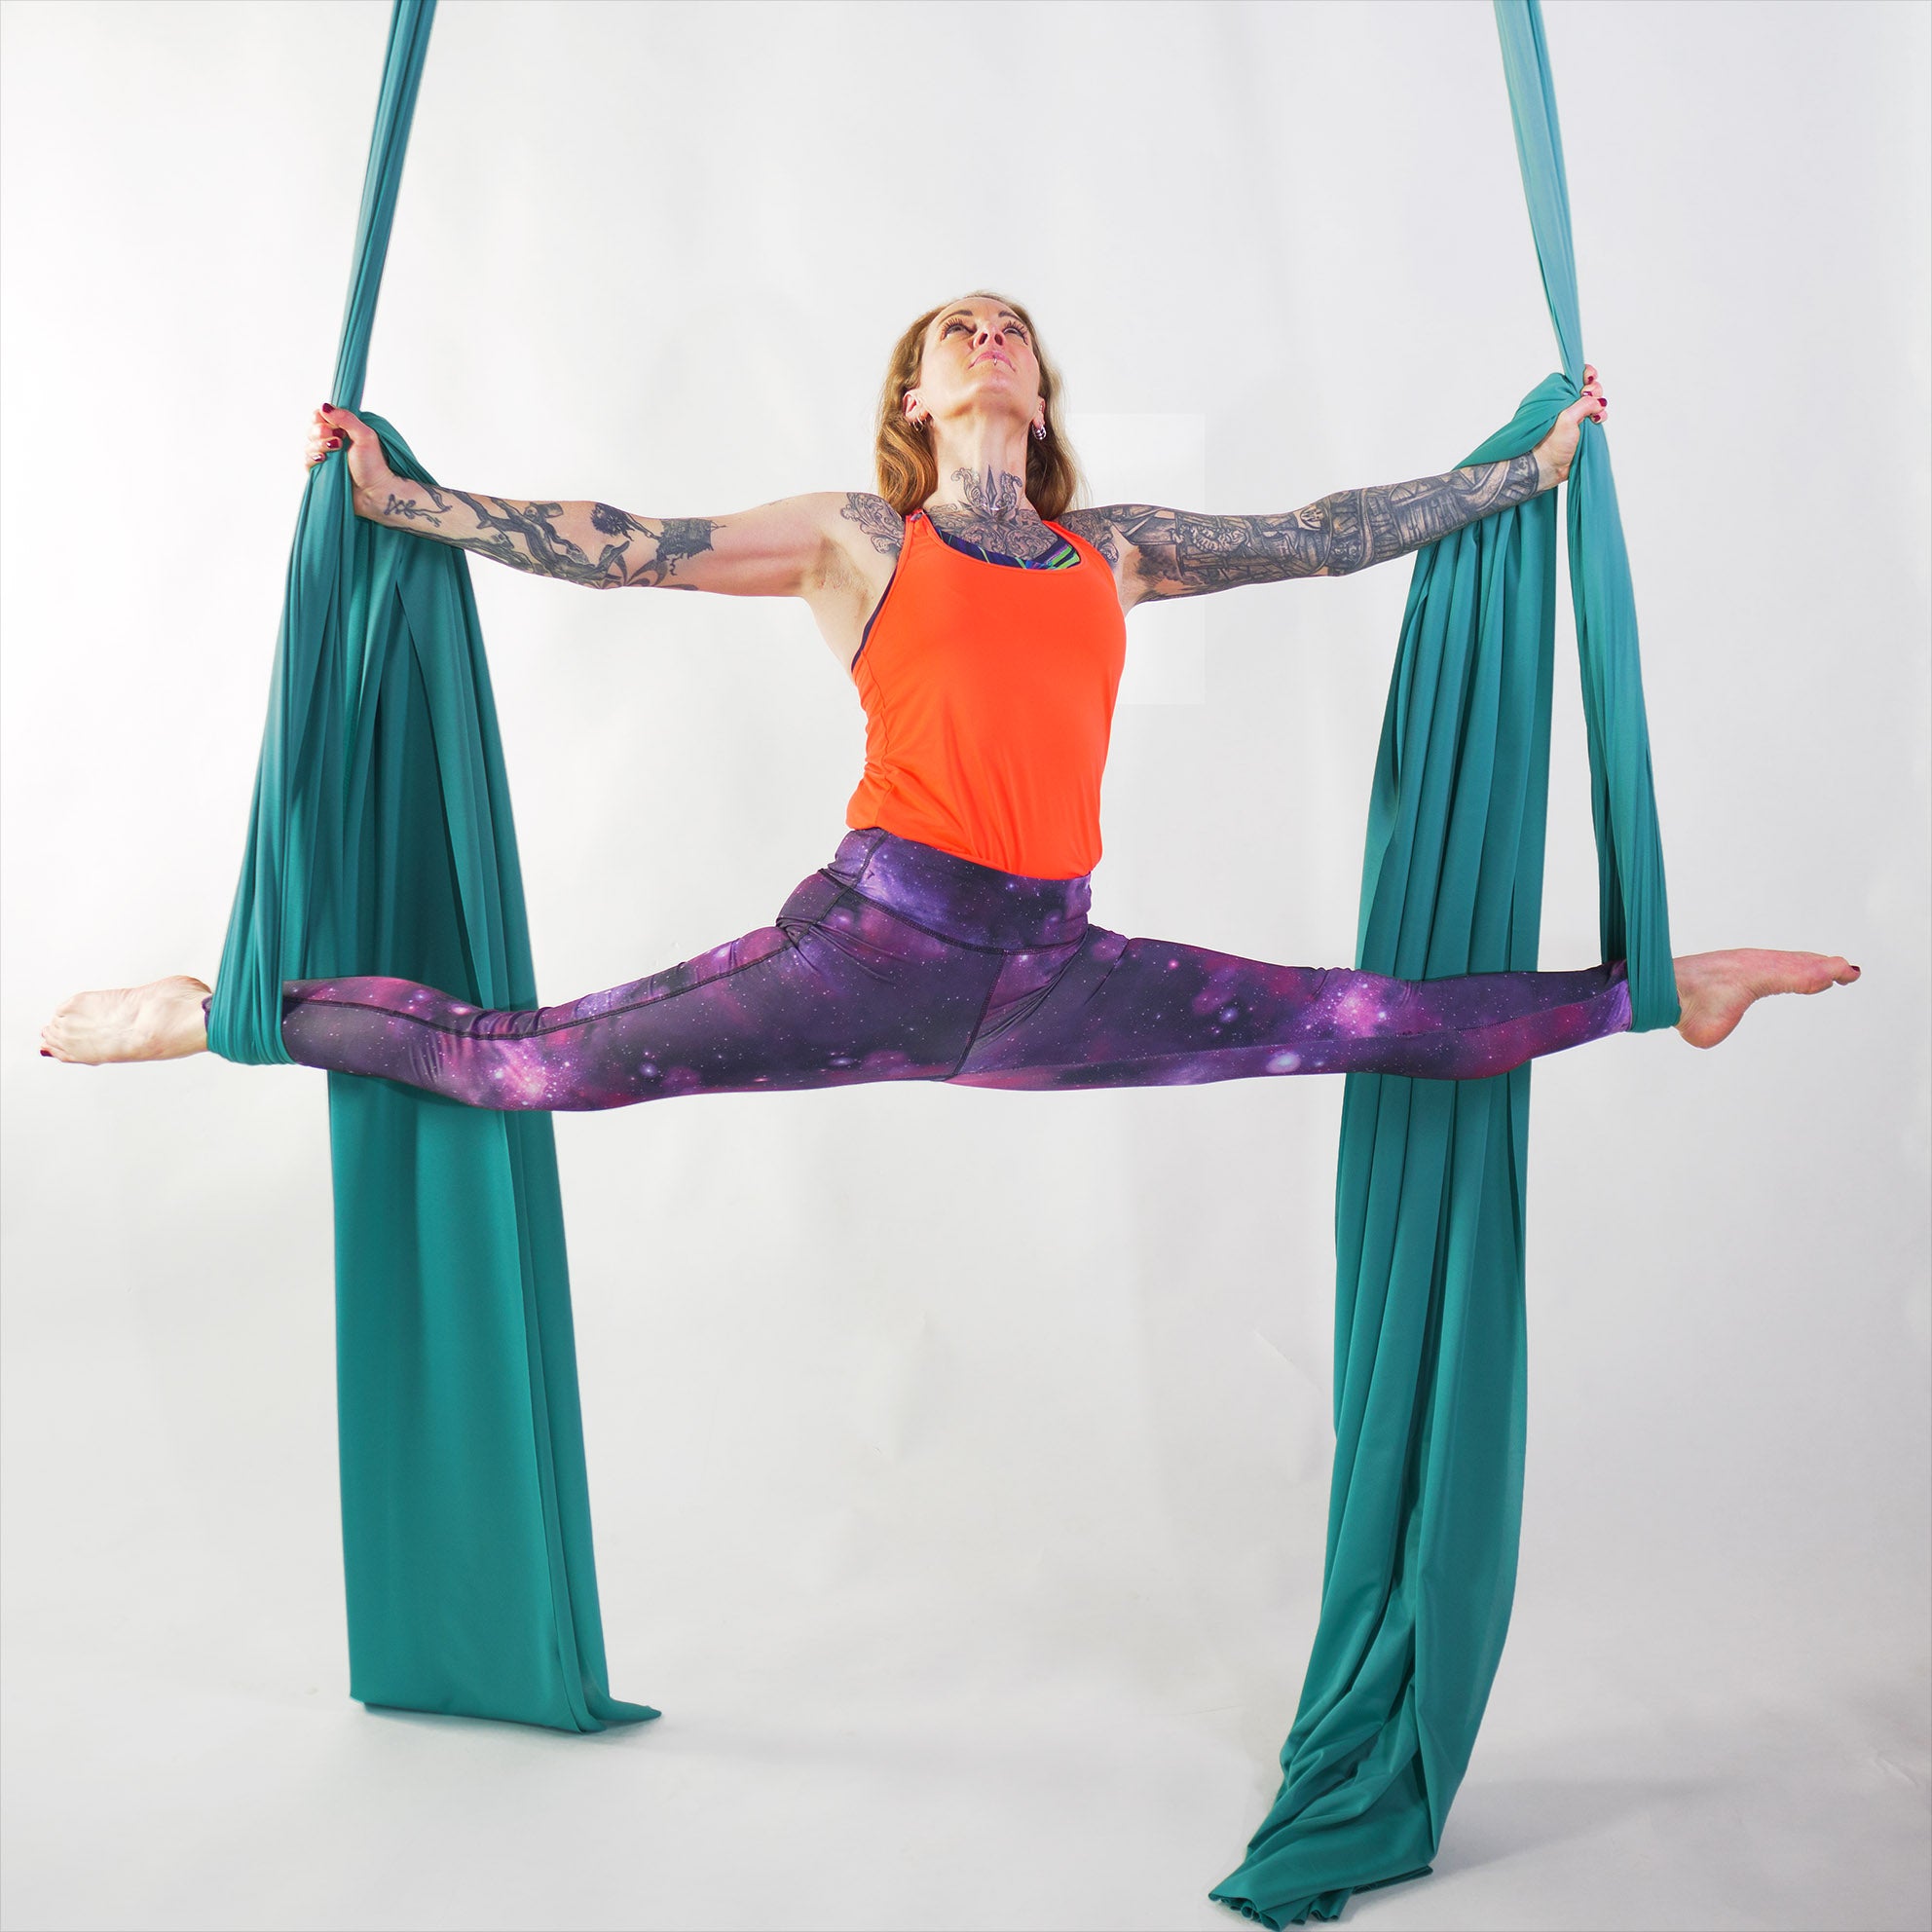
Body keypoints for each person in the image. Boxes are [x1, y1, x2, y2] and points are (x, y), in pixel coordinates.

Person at [39, 291, 1857, 1094]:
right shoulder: (861, 537)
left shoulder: (1110, 551)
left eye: (1014, 333)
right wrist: (403, 504)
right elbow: (629, 545)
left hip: (1056, 973)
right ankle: (226, 1016)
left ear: (1039, 395)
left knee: (1364, 1019)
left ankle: (1663, 996)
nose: (991, 342)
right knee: (529, 1064)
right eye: (956, 334)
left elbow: (1324, 535)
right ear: (917, 396)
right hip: (869, 949)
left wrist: (1522, 473)